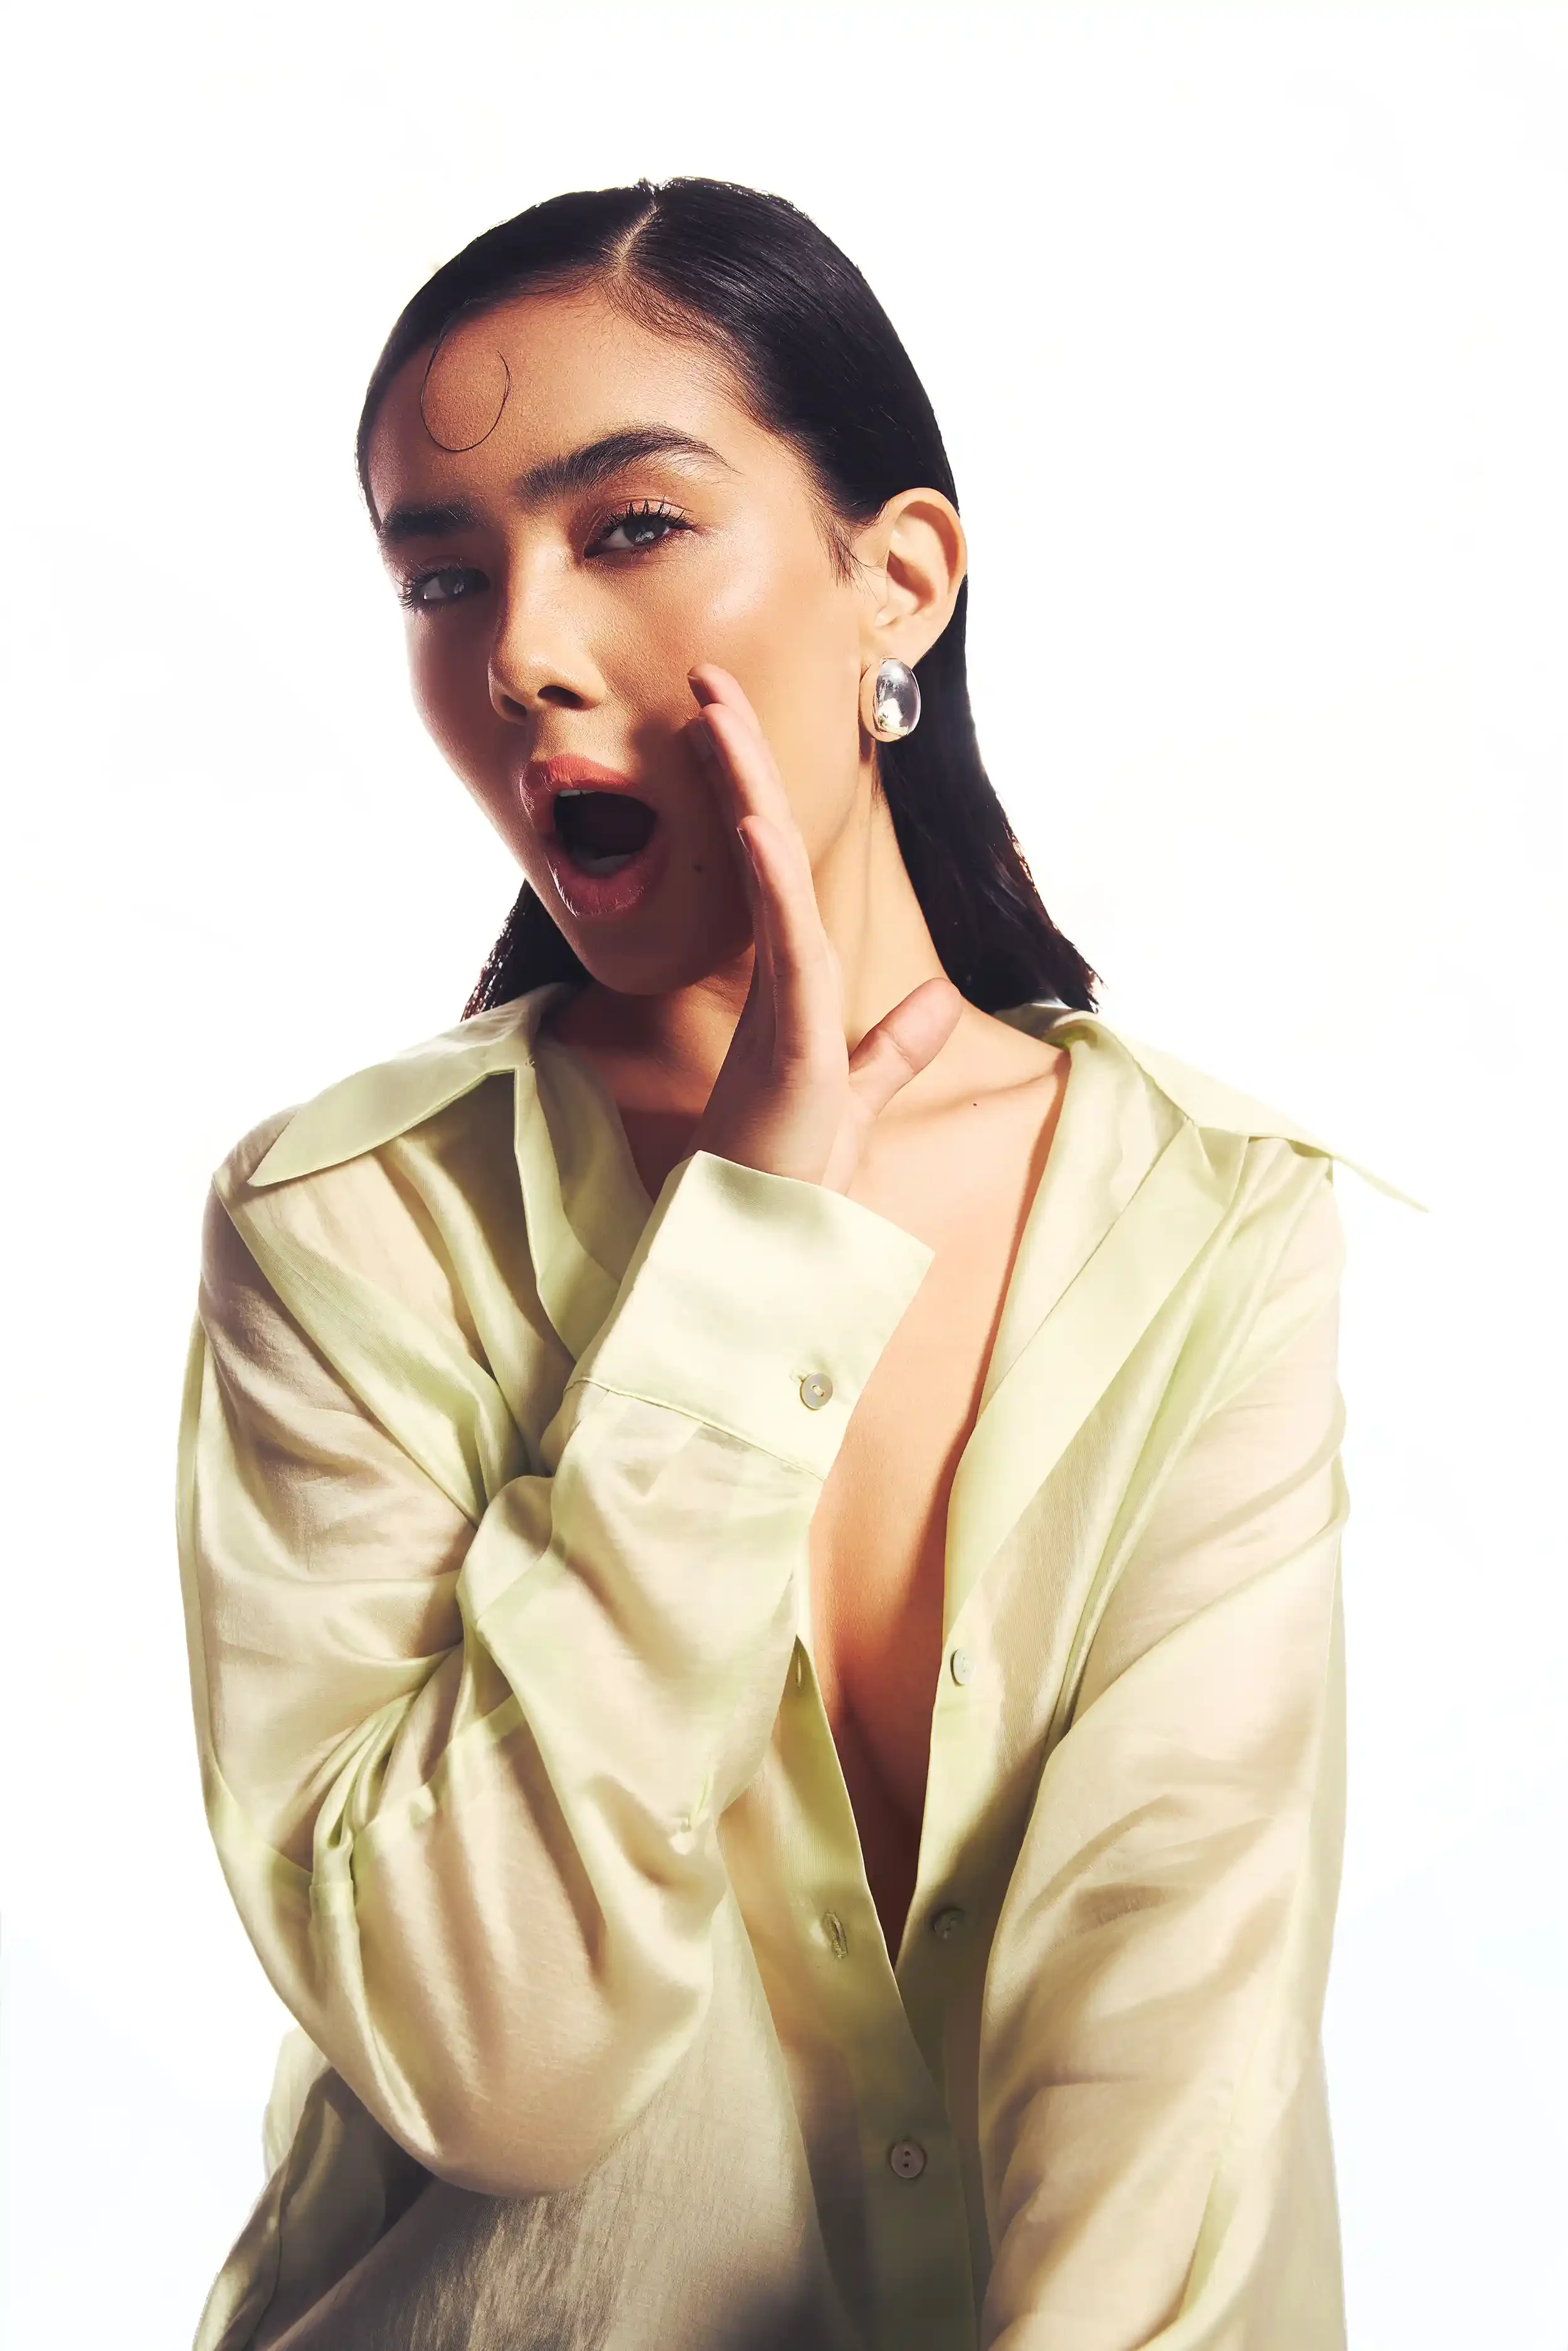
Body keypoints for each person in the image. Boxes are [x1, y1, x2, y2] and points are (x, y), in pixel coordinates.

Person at [176, 176, 1421, 2351]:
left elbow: (1171, 2044)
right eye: (442, 576)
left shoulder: (1204, 1222)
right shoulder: (344, 1224)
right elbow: (499, 2057)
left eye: (632, 527)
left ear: (897, 581)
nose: (521, 653)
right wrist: (748, 1264)